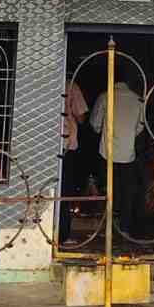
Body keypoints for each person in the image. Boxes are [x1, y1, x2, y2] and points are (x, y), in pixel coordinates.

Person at [90, 64, 144, 234]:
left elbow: (95, 124)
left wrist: (103, 130)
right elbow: (141, 127)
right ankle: (125, 227)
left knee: (109, 188)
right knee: (127, 189)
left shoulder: (105, 97)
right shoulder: (137, 100)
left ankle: (108, 228)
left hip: (107, 152)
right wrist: (128, 136)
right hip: (128, 153)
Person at [58, 78, 89, 246]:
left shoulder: (43, 82)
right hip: (66, 145)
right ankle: (62, 235)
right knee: (64, 191)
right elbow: (82, 116)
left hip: (44, 145)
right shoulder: (71, 85)